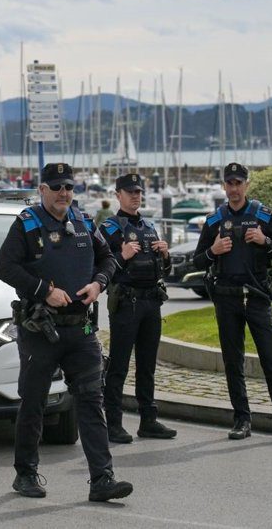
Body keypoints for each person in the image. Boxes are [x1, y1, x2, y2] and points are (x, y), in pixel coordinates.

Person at [0, 162, 133, 502]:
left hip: (79, 329)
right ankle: (26, 473)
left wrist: (98, 284)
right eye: (56, 187)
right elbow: (5, 267)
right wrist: (44, 290)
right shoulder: (27, 224)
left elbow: (109, 260)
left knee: (91, 400)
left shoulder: (84, 222)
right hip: (40, 328)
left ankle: (102, 479)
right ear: (42, 189)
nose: (63, 193)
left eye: (68, 187)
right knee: (34, 401)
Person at [192, 162, 272, 445]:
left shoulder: (263, 215)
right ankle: (242, 419)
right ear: (224, 186)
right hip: (227, 298)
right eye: (229, 183)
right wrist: (213, 250)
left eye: (238, 183)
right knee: (233, 362)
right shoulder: (215, 221)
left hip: (257, 297)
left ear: (247, 185)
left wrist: (265, 242)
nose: (234, 189)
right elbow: (197, 260)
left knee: (271, 360)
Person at [99, 173, 177, 443]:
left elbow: (164, 269)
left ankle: (149, 420)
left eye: (139, 192)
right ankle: (113, 423)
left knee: (147, 365)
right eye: (130, 192)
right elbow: (101, 267)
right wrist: (123, 256)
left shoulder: (149, 226)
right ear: (118, 194)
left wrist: (165, 254)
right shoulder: (109, 228)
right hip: (126, 303)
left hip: (151, 301)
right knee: (119, 364)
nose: (136, 196)